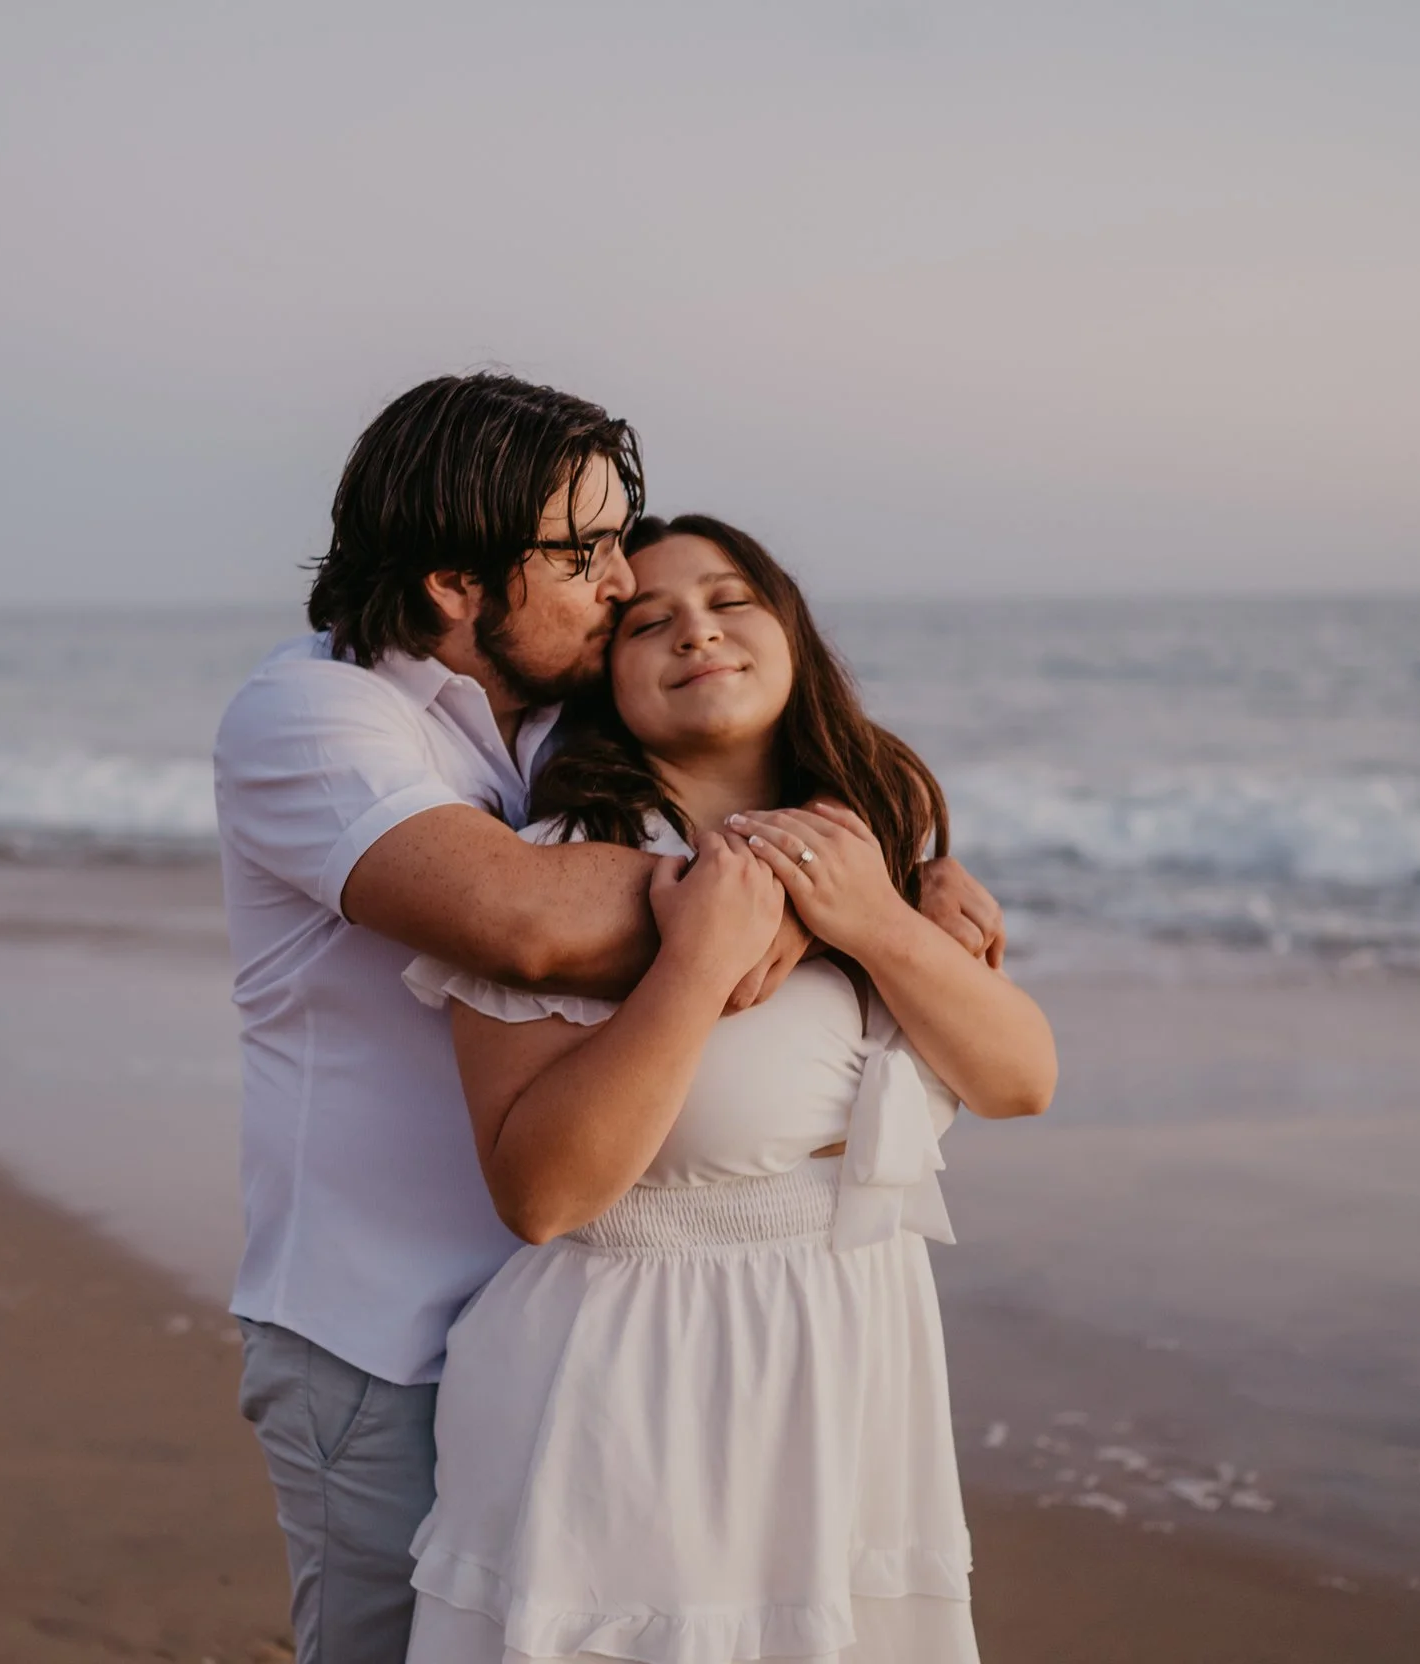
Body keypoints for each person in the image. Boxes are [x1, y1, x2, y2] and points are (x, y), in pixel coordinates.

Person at [213, 375, 1008, 1664]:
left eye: (613, 531)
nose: (617, 571)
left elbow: (683, 821)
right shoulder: (313, 717)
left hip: (578, 1318)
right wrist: (820, 897)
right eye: (577, 550)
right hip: (382, 1329)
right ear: (452, 586)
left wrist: (890, 887)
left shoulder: (552, 723)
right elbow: (525, 915)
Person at [399, 514, 1057, 1664]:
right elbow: (541, 1192)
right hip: (640, 1383)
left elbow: (1021, 1082)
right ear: (605, 673)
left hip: (856, 1357)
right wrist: (698, 962)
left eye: (730, 598)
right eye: (646, 619)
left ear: (791, 628)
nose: (695, 630)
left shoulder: (875, 855)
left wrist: (873, 920)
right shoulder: (562, 871)